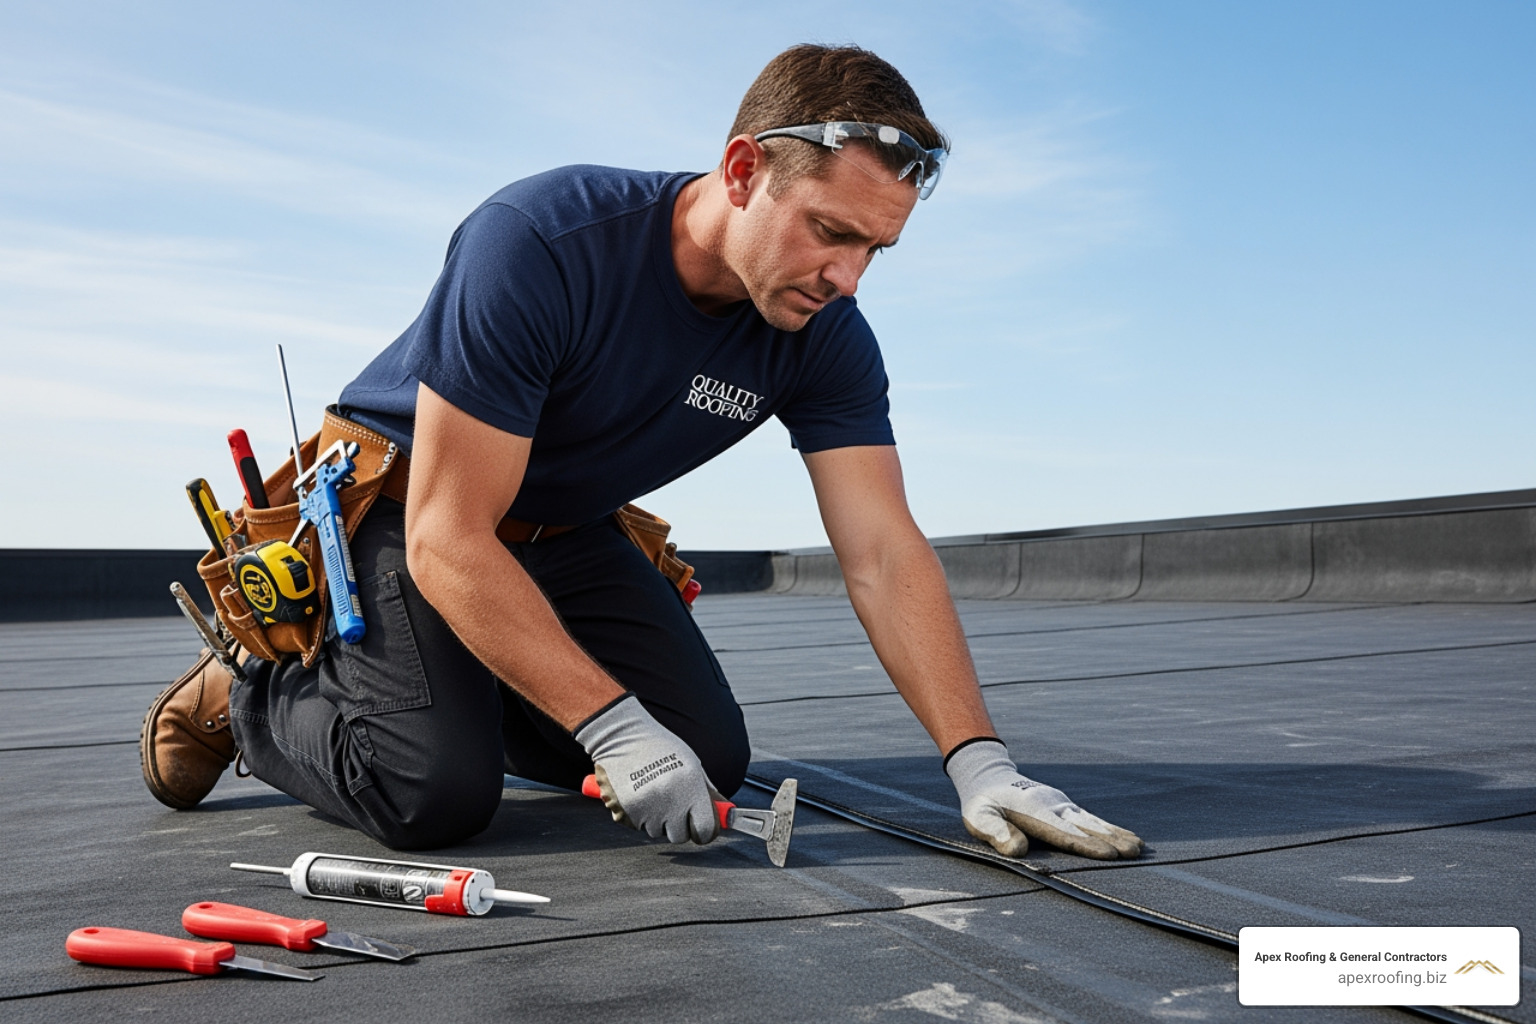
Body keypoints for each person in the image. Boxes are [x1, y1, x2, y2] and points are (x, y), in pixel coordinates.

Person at [140, 43, 1143, 862]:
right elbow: (450, 537)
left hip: (564, 525)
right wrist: (611, 726)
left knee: (706, 756)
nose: (848, 276)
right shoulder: (542, 242)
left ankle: (440, 685)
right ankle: (255, 692)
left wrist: (979, 760)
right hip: (408, 509)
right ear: (744, 169)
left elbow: (881, 548)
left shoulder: (824, 332)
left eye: (875, 248)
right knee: (431, 789)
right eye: (830, 231)